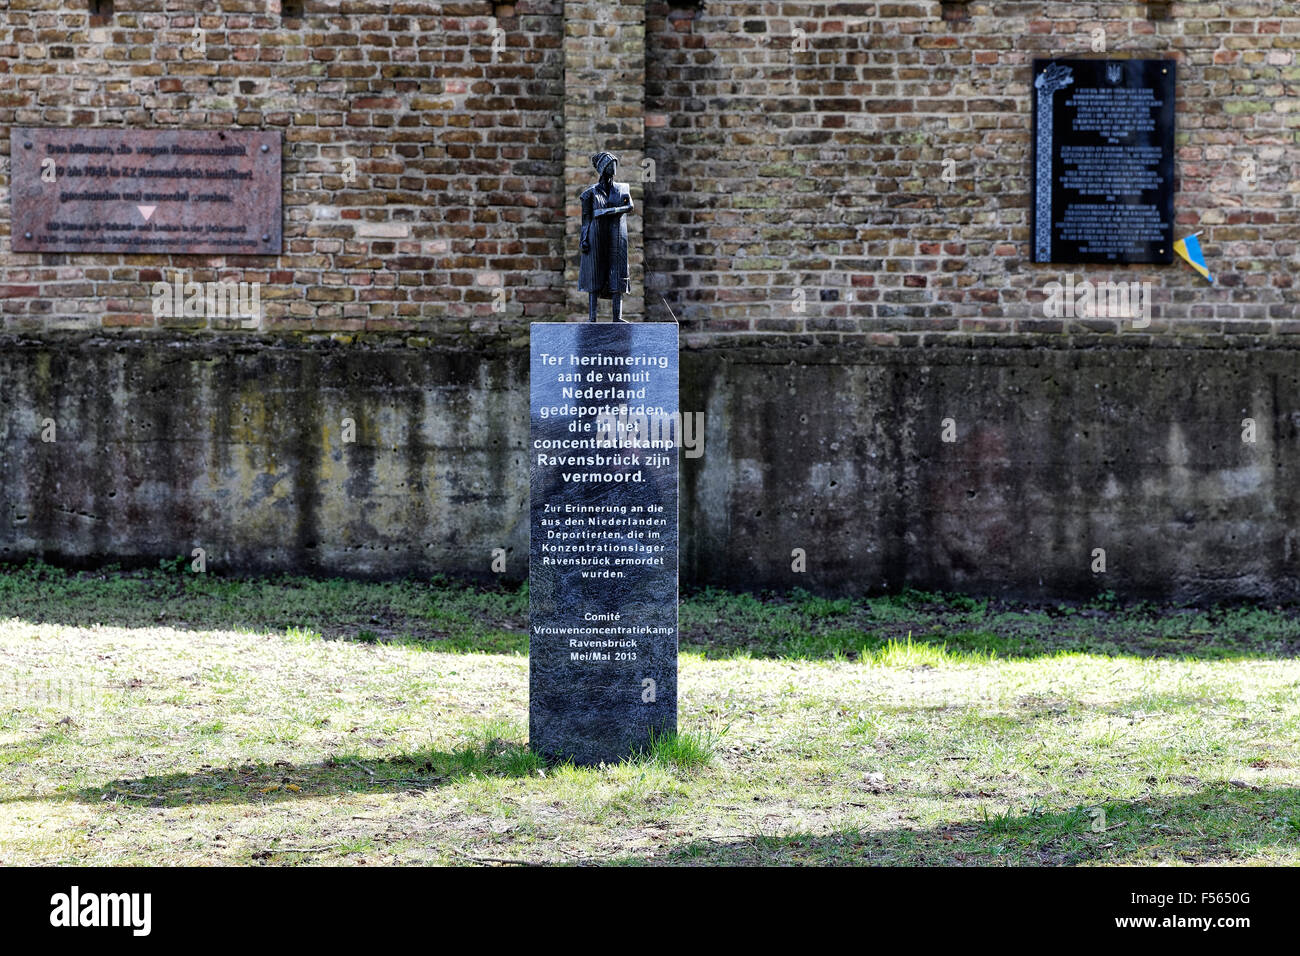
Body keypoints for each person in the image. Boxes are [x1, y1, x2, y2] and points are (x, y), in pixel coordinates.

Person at [578, 151, 633, 322]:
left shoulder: (622, 188)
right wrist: (584, 239)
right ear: (603, 168)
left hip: (617, 234)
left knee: (618, 272)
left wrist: (608, 211)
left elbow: (629, 206)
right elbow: (586, 219)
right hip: (596, 234)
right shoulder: (590, 194)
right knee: (594, 272)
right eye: (610, 165)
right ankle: (592, 317)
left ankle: (617, 317)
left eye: (615, 164)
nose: (614, 168)